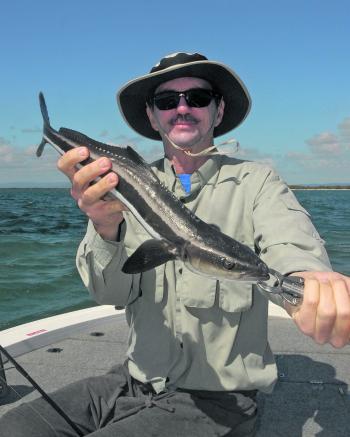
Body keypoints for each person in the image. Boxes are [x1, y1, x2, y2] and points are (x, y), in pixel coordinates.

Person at [1, 52, 350, 437]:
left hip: (218, 403)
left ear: (218, 111)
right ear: (153, 116)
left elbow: (291, 240)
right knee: (15, 427)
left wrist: (311, 278)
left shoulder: (258, 182)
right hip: (131, 382)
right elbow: (107, 293)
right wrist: (103, 225)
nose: (182, 108)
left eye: (197, 97)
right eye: (167, 101)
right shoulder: (112, 188)